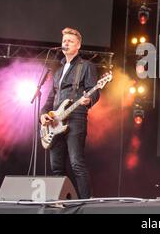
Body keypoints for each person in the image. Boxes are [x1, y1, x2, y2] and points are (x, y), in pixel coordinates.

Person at [40, 27, 100, 199]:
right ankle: (63, 201)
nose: (65, 43)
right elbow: (50, 99)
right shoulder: (58, 72)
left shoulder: (86, 66)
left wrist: (89, 99)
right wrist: (43, 114)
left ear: (78, 46)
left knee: (76, 163)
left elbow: (94, 90)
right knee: (56, 166)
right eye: (64, 40)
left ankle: (86, 202)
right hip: (55, 122)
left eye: (70, 41)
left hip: (76, 118)